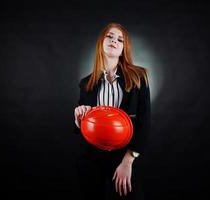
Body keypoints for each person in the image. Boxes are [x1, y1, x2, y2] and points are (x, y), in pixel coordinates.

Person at [73, 22, 151, 200]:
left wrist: (128, 161)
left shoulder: (139, 77)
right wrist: (79, 118)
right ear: (101, 42)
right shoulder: (86, 83)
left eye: (120, 39)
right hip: (90, 157)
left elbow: (145, 122)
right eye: (109, 36)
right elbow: (81, 128)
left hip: (123, 155)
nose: (114, 40)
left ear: (124, 49)